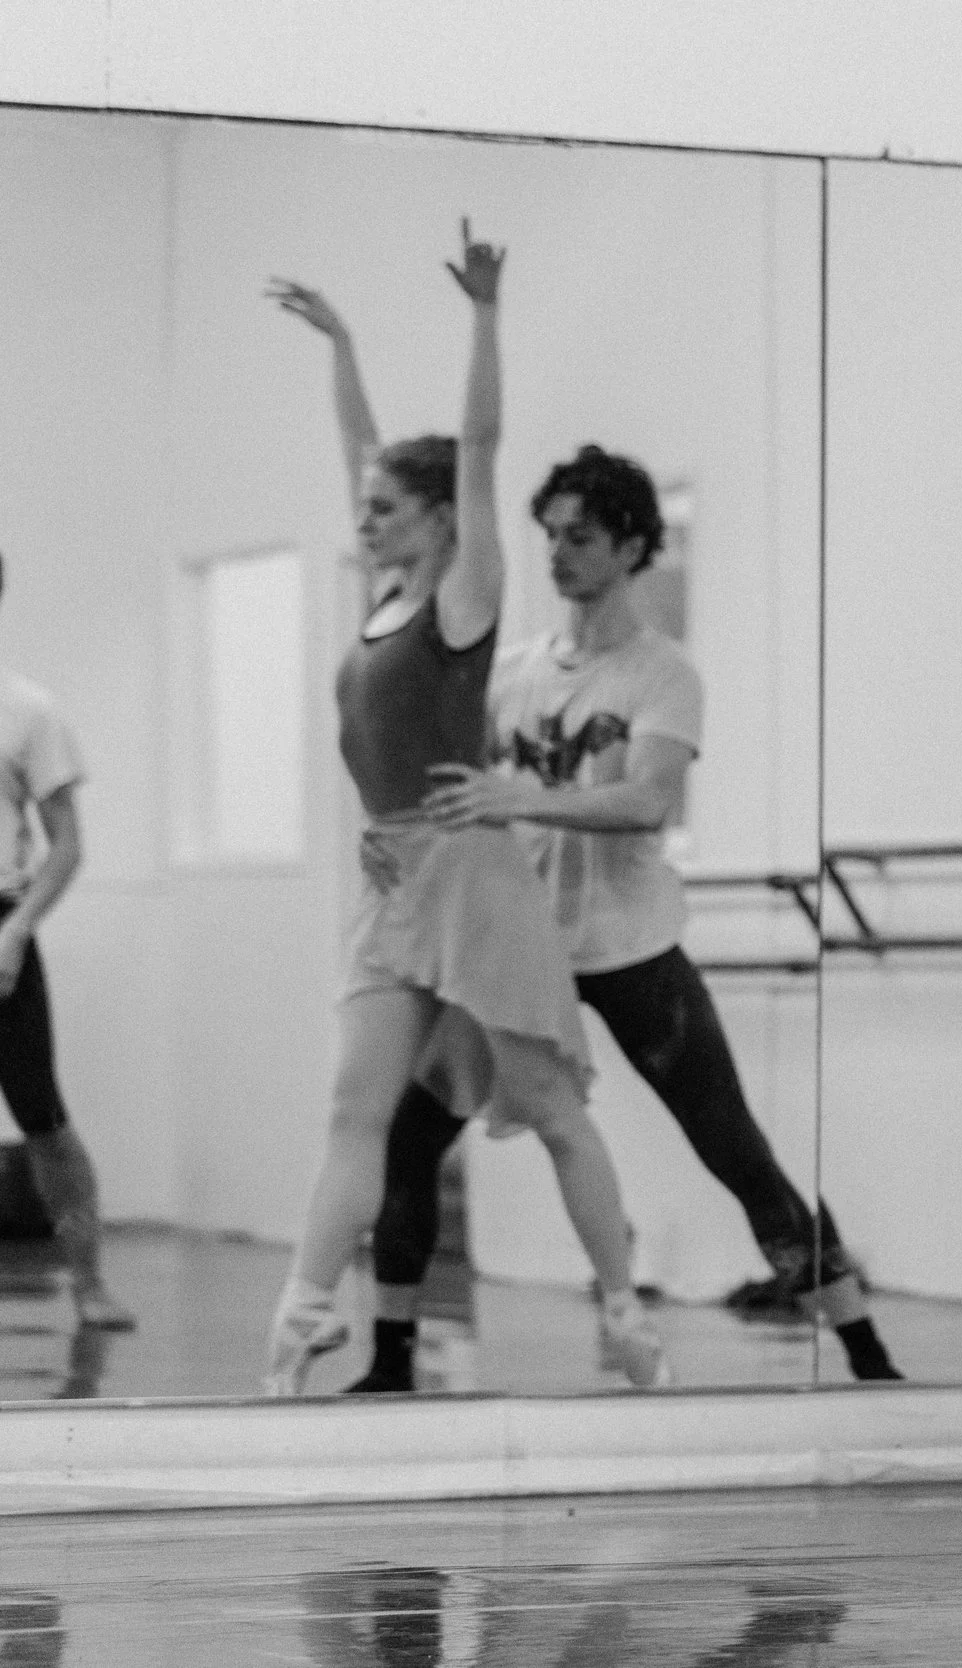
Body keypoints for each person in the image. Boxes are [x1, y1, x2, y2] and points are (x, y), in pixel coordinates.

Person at [338, 442, 899, 1391]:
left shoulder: (662, 675)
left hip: (630, 947)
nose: (558, 553)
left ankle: (866, 1352)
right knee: (412, 1133)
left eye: (582, 536)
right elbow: (431, 784)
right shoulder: (508, 670)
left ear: (633, 545)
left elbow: (645, 802)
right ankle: (390, 1358)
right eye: (549, 534)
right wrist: (384, 833)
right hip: (515, 950)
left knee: (733, 1148)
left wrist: (515, 797)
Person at [262, 228, 668, 1394]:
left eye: (388, 507)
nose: (366, 517)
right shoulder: (387, 589)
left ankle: (622, 1310)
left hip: (474, 885)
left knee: (549, 1111)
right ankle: (298, 1324)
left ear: (438, 517)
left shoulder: (464, 595)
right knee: (357, 1111)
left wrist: (485, 314)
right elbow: (360, 452)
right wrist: (341, 343)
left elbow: (480, 448)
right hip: (395, 882)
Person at [0, 553, 134, 1335]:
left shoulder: (28, 711)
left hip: (3, 927)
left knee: (43, 1118)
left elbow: (67, 846)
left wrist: (17, 931)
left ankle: (88, 1283)